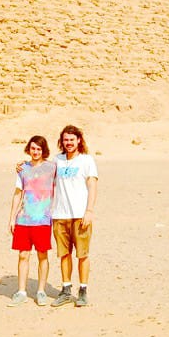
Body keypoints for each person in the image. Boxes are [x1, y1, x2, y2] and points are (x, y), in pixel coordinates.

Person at [49, 125, 98, 307]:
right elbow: (41, 173)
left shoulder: (86, 160)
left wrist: (89, 211)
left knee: (82, 254)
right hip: (60, 215)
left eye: (72, 139)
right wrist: (23, 166)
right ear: (61, 141)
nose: (68, 143)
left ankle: (83, 291)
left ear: (78, 140)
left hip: (80, 215)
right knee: (64, 254)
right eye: (65, 140)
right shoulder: (57, 160)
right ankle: (66, 289)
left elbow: (92, 185)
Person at [7, 135, 56, 307]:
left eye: (39, 149)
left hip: (42, 219)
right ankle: (21, 291)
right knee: (23, 255)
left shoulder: (52, 167)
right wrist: (12, 218)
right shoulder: (23, 169)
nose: (35, 152)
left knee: (43, 255)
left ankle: (41, 291)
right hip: (24, 219)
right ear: (29, 149)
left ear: (44, 150)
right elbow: (17, 194)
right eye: (33, 148)